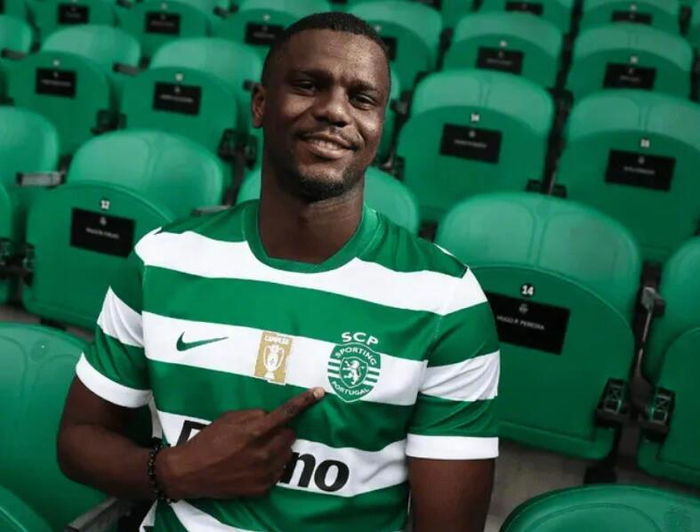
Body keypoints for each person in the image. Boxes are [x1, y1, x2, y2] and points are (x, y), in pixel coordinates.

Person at [57, 12, 501, 531]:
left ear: (381, 128)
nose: (335, 110)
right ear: (261, 105)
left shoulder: (446, 300)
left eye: (362, 99)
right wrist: (175, 471)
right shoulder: (162, 259)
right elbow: (78, 441)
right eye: (309, 85)